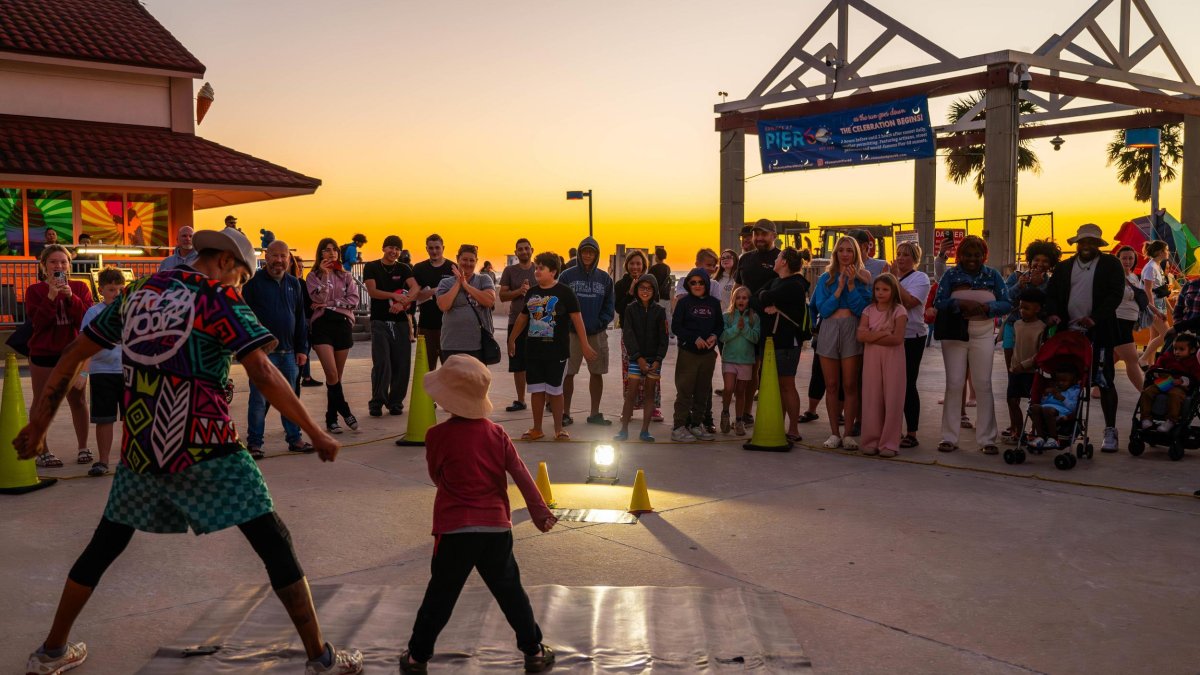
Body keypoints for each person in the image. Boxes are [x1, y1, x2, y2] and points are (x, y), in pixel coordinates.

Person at [15, 227, 362, 675]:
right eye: (239, 276)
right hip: (208, 446)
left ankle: (51, 651)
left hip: (142, 450)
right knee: (274, 542)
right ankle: (321, 658)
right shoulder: (217, 297)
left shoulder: (138, 292)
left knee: (105, 545)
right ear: (225, 263)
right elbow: (262, 371)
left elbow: (73, 354)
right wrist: (314, 430)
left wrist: (38, 424)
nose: (238, 285)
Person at [397, 355, 557, 674]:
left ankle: (417, 657)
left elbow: (436, 476)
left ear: (446, 398)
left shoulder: (436, 436)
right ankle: (534, 651)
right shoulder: (497, 433)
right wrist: (540, 513)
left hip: (454, 530)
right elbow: (521, 474)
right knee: (510, 592)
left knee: (440, 595)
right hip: (495, 529)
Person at [1045, 224, 1126, 452]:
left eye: (1092, 242)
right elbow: (1052, 294)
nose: (1087, 246)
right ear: (1077, 244)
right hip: (1067, 334)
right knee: (1068, 381)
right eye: (1083, 242)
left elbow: (1115, 295)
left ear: (1099, 244)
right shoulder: (1064, 267)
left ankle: (1110, 430)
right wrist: (1052, 314)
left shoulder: (1111, 265)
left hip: (1099, 333)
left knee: (1104, 379)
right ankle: (1067, 426)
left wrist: (1095, 318)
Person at [933, 235, 1011, 455]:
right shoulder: (951, 275)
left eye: (977, 255)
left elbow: (1007, 303)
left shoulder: (993, 275)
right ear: (960, 255)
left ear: (983, 256)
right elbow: (939, 301)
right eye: (968, 254)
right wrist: (960, 303)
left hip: (983, 332)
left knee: (983, 383)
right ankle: (949, 437)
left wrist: (987, 309)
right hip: (955, 334)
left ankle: (987, 439)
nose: (972, 259)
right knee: (955, 383)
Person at [508, 252, 596, 441]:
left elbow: (577, 319)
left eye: (541, 268)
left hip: (557, 352)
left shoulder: (565, 292)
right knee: (536, 390)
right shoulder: (531, 293)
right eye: (536, 267)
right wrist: (512, 339)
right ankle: (537, 428)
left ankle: (559, 429)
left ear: (553, 271)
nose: (537, 271)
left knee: (556, 391)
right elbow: (523, 318)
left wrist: (585, 345)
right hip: (533, 351)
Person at [243, 240, 313, 457]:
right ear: (266, 256)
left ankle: (295, 439)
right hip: (263, 355)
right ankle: (254, 443)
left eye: (284, 256)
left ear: (289, 259)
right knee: (258, 400)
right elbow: (244, 317)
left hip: (290, 353)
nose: (279, 261)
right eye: (275, 256)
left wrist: (303, 350)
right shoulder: (253, 284)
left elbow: (301, 319)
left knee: (290, 398)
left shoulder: (295, 284)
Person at [26, 244, 93, 468]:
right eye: (53, 262)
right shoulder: (34, 290)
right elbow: (38, 324)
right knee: (43, 401)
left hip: (72, 352)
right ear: (44, 266)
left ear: (69, 265)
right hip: (44, 353)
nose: (59, 266)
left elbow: (84, 319)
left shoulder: (80, 287)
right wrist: (51, 296)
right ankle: (42, 450)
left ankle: (83, 447)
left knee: (78, 399)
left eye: (63, 262)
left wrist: (71, 298)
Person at [811, 236, 871, 450]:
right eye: (841, 250)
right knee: (831, 385)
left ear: (855, 254)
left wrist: (852, 285)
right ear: (835, 254)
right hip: (829, 330)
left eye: (849, 250)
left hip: (851, 329)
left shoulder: (864, 278)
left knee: (850, 384)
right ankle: (834, 432)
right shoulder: (825, 279)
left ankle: (848, 434)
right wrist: (839, 288)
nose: (845, 254)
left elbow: (861, 310)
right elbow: (824, 310)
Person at [559, 237, 615, 426]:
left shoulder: (605, 279)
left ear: (597, 254)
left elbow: (609, 305)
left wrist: (601, 322)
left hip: (596, 333)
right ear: (579, 253)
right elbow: (560, 302)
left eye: (591, 252)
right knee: (568, 372)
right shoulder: (567, 276)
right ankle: (565, 413)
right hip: (572, 334)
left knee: (596, 372)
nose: (588, 255)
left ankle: (594, 413)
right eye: (585, 251)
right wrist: (568, 324)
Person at [307, 238, 360, 434]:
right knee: (331, 373)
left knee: (336, 377)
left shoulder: (346, 276)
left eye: (334, 250)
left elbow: (353, 301)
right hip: (322, 326)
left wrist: (329, 304)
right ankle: (345, 411)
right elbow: (317, 298)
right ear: (320, 254)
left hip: (342, 325)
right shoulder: (313, 276)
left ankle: (331, 418)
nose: (331, 253)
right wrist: (325, 276)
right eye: (326, 250)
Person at [758, 247, 810, 442]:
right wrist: (766, 299)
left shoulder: (794, 284)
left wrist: (768, 299)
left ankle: (794, 429)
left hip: (787, 341)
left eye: (779, 257)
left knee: (787, 384)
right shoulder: (777, 281)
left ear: (785, 262)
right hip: (773, 340)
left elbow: (765, 296)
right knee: (776, 385)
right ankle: (778, 425)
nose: (776, 259)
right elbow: (758, 297)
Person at [363, 235, 418, 417]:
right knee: (382, 362)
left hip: (401, 322)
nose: (393, 251)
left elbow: (415, 288)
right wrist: (394, 296)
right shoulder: (371, 267)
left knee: (402, 363)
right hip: (379, 321)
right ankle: (377, 401)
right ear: (383, 248)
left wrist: (402, 304)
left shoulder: (404, 268)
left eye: (397, 249)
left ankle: (395, 402)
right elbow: (372, 291)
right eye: (390, 247)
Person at [736, 219, 782, 426]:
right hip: (745, 321)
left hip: (772, 322)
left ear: (774, 235)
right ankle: (745, 413)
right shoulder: (745, 258)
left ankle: (773, 417)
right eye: (756, 234)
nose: (759, 238)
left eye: (764, 234)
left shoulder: (781, 258)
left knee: (771, 370)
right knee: (749, 368)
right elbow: (738, 288)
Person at [80, 268, 125, 477]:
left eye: (120, 289)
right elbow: (85, 345)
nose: (116, 293)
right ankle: (103, 460)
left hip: (128, 372)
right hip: (102, 372)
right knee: (104, 418)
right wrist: (83, 374)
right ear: (101, 290)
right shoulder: (94, 313)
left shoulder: (131, 312)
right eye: (111, 289)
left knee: (133, 419)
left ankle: (129, 459)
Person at [857, 273, 908, 457]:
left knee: (892, 398)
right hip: (872, 359)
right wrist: (883, 333)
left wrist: (872, 335)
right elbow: (860, 336)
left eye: (885, 289)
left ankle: (890, 442)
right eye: (877, 289)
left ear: (893, 291)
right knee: (872, 397)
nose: (880, 293)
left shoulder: (899, 311)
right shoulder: (868, 310)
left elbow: (897, 338)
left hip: (893, 359)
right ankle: (871, 439)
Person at [671, 267, 723, 442]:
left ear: (707, 284)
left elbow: (720, 325)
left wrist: (714, 336)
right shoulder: (684, 303)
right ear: (688, 284)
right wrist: (694, 339)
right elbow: (676, 327)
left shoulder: (714, 303)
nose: (697, 285)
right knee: (685, 391)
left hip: (708, 354)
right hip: (688, 353)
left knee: (702, 391)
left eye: (701, 282)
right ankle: (679, 427)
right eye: (693, 282)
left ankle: (696, 424)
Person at [615, 274, 666, 443]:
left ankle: (645, 430)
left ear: (655, 290)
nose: (645, 291)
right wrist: (638, 358)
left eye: (649, 288)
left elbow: (663, 338)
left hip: (654, 361)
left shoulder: (660, 311)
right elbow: (628, 336)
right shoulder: (630, 309)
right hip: (637, 360)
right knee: (631, 393)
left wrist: (658, 359)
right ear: (637, 290)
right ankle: (623, 430)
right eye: (642, 288)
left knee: (650, 395)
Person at [614, 249, 661, 419]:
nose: (635, 267)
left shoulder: (650, 281)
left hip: (649, 334)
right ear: (627, 265)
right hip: (629, 334)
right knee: (630, 371)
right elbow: (619, 309)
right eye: (632, 263)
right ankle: (630, 405)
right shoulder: (620, 284)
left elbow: (656, 306)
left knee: (651, 370)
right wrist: (630, 292)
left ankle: (653, 407)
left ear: (643, 266)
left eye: (638, 264)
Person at [892, 242, 931, 449]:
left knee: (908, 384)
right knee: (891, 385)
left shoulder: (920, 278)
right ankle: (891, 428)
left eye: (906, 255)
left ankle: (912, 432)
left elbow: (909, 302)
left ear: (914, 258)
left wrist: (892, 281)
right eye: (898, 254)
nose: (900, 258)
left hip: (912, 336)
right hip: (890, 336)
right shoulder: (893, 277)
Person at [435, 244, 497, 361]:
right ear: (458, 259)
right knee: (452, 379)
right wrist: (458, 283)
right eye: (464, 260)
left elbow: (489, 301)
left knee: (476, 379)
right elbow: (444, 305)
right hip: (451, 344)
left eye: (471, 260)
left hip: (478, 345)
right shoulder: (445, 283)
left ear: (476, 261)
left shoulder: (484, 280)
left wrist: (466, 285)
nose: (468, 263)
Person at [1005, 289, 1047, 446]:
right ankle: (1018, 430)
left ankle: (1034, 432)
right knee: (1012, 400)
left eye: (1026, 308)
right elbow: (1015, 347)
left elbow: (1040, 354)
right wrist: (1013, 365)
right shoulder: (1016, 324)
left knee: (1034, 404)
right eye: (1021, 307)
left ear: (1037, 309)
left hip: (1032, 372)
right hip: (1016, 370)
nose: (1022, 311)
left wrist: (1024, 365)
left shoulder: (1042, 328)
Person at [499, 238, 536, 412]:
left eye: (526, 248)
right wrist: (519, 292)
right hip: (515, 322)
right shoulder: (509, 271)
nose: (523, 252)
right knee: (518, 363)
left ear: (532, 250)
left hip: (539, 323)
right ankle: (521, 400)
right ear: (516, 253)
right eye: (520, 249)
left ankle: (547, 400)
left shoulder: (539, 269)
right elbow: (502, 296)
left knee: (539, 361)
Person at [411, 234, 457, 370]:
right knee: (426, 370)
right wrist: (437, 290)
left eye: (437, 247)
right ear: (426, 249)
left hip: (449, 327)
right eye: (431, 248)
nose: (434, 251)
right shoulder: (419, 268)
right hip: (426, 326)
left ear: (443, 248)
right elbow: (414, 296)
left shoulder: (453, 267)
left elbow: (459, 293)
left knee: (450, 370)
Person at [1138, 332, 1200, 433]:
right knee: (1147, 392)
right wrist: (1157, 373)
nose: (1177, 352)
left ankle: (1171, 420)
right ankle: (1146, 418)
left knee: (1174, 395)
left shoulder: (1193, 362)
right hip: (1165, 382)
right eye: (1175, 349)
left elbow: (1196, 377)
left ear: (1192, 350)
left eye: (1181, 349)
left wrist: (1182, 381)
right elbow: (1156, 367)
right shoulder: (1167, 357)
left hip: (1180, 386)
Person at [720, 286, 759, 436]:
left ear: (749, 300)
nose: (741, 300)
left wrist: (745, 329)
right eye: (738, 297)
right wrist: (737, 328)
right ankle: (725, 413)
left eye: (744, 298)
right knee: (729, 388)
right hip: (729, 358)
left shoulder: (754, 318)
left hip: (746, 360)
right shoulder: (727, 316)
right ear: (733, 299)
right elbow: (723, 336)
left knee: (741, 391)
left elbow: (756, 338)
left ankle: (739, 420)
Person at [1026, 365, 1081, 449]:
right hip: (1046, 407)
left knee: (1047, 410)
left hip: (1062, 411)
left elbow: (1073, 407)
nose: (1061, 383)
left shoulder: (1074, 391)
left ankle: (1054, 438)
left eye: (1064, 381)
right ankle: (1040, 436)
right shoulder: (1054, 389)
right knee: (1034, 408)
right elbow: (1044, 403)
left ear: (1072, 381)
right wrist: (1045, 395)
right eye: (1058, 381)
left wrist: (1063, 399)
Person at [1115, 246, 1146, 392]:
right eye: (1124, 258)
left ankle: (1096, 387)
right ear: (1118, 259)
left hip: (1129, 322)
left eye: (1130, 258)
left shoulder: (1134, 277)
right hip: (1118, 322)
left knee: (1113, 357)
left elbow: (1139, 299)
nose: (1127, 261)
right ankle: (1145, 393)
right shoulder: (1115, 277)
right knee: (1132, 359)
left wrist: (1156, 312)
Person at [292, 254, 323, 388]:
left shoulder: (303, 283)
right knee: (301, 348)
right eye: (298, 267)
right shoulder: (289, 283)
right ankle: (302, 376)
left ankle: (306, 376)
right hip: (296, 321)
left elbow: (311, 301)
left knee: (305, 348)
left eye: (302, 267)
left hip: (306, 319)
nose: (300, 270)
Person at [1139, 239, 1171, 367]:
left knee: (1154, 337)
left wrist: (1169, 308)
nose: (1168, 252)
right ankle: (1143, 358)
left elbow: (1160, 291)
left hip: (1159, 306)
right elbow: (1147, 289)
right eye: (1166, 250)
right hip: (1154, 307)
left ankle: (1151, 365)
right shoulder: (1151, 267)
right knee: (1167, 334)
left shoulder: (1157, 266)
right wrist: (1154, 310)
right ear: (1160, 252)